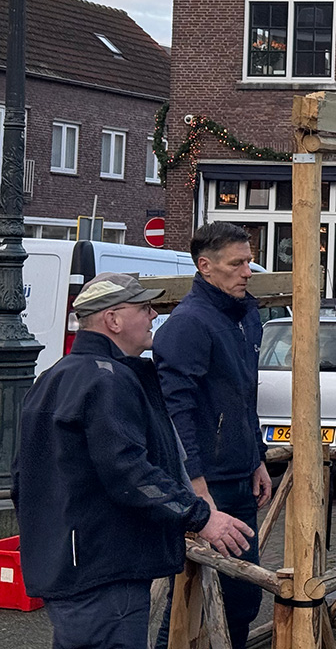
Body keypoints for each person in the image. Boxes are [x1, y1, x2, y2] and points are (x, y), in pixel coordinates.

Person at [13, 273, 253, 649]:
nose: (154, 316)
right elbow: (130, 473)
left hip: (70, 565)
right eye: (143, 308)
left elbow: (21, 479)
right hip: (105, 570)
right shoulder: (107, 381)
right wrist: (201, 516)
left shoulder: (53, 377)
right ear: (113, 320)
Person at [154, 222, 271, 649]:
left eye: (249, 261)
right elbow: (175, 411)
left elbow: (243, 396)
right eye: (237, 264)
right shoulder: (188, 324)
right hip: (209, 485)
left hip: (240, 475)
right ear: (205, 266)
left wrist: (256, 457)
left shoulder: (246, 316)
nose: (247, 271)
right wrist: (196, 487)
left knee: (242, 596)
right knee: (188, 596)